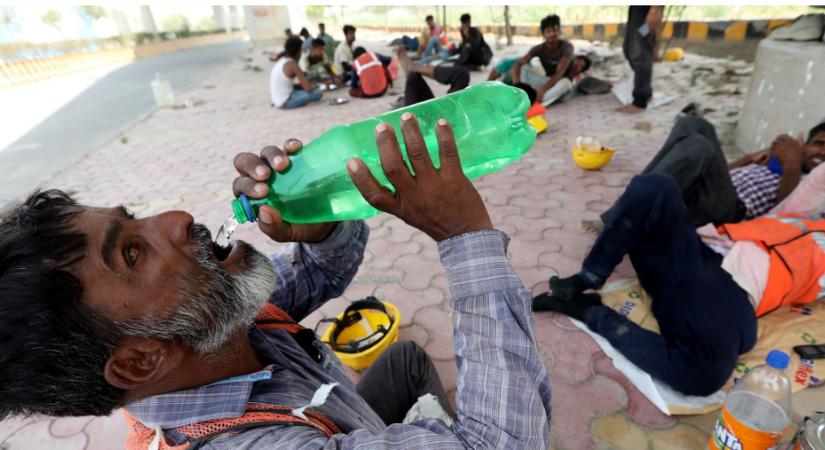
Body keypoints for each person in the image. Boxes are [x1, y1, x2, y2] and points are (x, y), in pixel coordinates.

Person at [0, 115, 552, 448]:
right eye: (134, 251)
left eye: (134, 215)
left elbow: (323, 269)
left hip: (339, 413)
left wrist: (321, 221)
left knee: (406, 363)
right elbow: (504, 442)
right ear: (140, 360)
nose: (175, 219)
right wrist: (466, 236)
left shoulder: (213, 323)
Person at [533, 163, 825, 396]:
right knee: (655, 186)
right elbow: (817, 180)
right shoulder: (806, 215)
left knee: (704, 373)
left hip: (734, 293)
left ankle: (587, 310)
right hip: (699, 250)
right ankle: (587, 277)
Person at [582, 118, 825, 232]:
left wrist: (793, 166)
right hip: (710, 198)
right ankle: (623, 211)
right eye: (819, 144)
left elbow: (781, 214)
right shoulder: (777, 165)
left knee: (700, 145)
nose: (821, 153)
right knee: (694, 124)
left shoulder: (810, 183)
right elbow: (716, 172)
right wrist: (749, 159)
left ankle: (621, 219)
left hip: (732, 214)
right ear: (805, 145)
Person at [512, 15, 578, 107]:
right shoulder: (538, 48)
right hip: (547, 81)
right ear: (543, 34)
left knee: (566, 83)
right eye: (548, 31)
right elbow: (518, 64)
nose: (552, 34)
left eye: (554, 30)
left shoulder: (567, 47)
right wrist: (517, 85)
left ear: (559, 31)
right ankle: (527, 97)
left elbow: (560, 73)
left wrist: (542, 90)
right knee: (524, 68)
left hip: (560, 82)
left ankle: (533, 101)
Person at [616, 6, 663, 114]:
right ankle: (645, 91)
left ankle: (640, 100)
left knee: (640, 50)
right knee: (629, 48)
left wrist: (654, 10)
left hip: (646, 9)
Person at [397, 46, 469, 107]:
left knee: (412, 77)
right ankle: (414, 68)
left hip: (436, 119)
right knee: (462, 74)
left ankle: (413, 67)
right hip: (441, 113)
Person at [270, 36, 322, 109]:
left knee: (301, 91)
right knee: (318, 93)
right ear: (298, 51)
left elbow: (289, 85)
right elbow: (308, 89)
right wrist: (312, 87)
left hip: (276, 100)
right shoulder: (292, 64)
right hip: (285, 103)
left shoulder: (281, 61)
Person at [490, 55, 591, 86]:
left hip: (538, 74)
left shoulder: (568, 77)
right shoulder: (565, 61)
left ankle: (487, 84)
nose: (577, 64)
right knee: (508, 63)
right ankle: (487, 84)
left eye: (580, 66)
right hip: (536, 67)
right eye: (578, 61)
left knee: (508, 65)